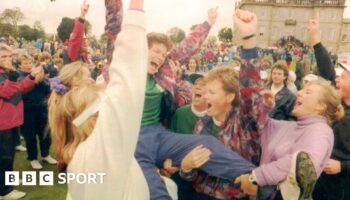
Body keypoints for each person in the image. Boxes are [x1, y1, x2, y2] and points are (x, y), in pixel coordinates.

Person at [48, 0, 150, 199]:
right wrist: (135, 13)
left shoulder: (81, 153)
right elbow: (126, 86)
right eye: (86, 77)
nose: (91, 79)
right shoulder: (100, 154)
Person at [308, 14, 350, 200]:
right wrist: (315, 36)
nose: (338, 79)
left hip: (343, 183)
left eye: (344, 77)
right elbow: (326, 69)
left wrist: (343, 166)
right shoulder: (337, 101)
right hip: (320, 174)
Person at [0, 43, 43, 200]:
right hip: (2, 123)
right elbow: (5, 92)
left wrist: (31, 77)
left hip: (11, 121)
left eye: (9, 56)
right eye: (3, 56)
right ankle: (5, 191)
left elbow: (20, 88)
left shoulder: (7, 72)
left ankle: (6, 182)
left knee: (9, 155)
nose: (7, 59)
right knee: (4, 157)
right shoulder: (8, 73)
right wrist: (12, 76)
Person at [17, 54, 57, 170]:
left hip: (42, 108)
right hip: (27, 110)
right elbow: (21, 90)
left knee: (45, 134)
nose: (28, 65)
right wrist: (33, 79)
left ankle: (45, 155)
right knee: (30, 136)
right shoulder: (19, 76)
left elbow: (47, 88)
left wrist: (42, 80)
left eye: (30, 63)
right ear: (19, 65)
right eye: (25, 63)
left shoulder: (39, 74)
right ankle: (33, 158)